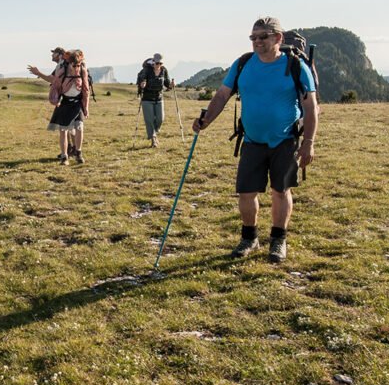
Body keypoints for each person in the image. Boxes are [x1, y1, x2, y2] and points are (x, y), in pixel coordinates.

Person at [191, 17, 317, 263]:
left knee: (280, 190)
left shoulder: (295, 66)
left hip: (285, 140)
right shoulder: (243, 65)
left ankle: (278, 240)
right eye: (253, 37)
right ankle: (250, 238)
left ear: (278, 38)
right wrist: (206, 121)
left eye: (263, 37)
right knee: (246, 193)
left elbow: (311, 106)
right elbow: (222, 95)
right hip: (251, 140)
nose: (257, 42)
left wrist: (309, 142)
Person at [30, 48, 92, 164]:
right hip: (65, 102)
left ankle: (77, 152)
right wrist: (56, 99)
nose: (76, 69)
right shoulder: (62, 69)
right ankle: (65, 156)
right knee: (64, 130)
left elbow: (86, 90)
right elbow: (55, 84)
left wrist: (86, 107)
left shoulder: (80, 70)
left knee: (79, 127)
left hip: (77, 103)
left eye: (77, 66)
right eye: (74, 66)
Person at [136, 53, 174, 147]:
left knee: (160, 119)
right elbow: (142, 80)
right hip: (147, 99)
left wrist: (171, 85)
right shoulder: (147, 70)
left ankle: (154, 134)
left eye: (160, 63)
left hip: (159, 98)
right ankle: (153, 139)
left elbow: (167, 84)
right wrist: (143, 84)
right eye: (157, 63)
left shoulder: (164, 70)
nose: (158, 65)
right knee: (149, 120)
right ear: (153, 62)